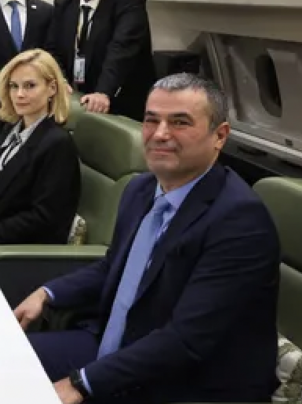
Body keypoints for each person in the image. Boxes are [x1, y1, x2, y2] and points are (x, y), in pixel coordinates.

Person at [15, 74, 279, 404]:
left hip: (183, 382)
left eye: (180, 122)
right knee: (0, 358)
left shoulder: (239, 221)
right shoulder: (141, 189)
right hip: (115, 347)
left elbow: (186, 339)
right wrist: (48, 292)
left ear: (220, 136)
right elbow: (113, 267)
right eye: (152, 120)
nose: (160, 134)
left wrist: (82, 383)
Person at [0, 50, 80, 250]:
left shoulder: (58, 144)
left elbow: (43, 220)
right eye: (14, 86)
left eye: (30, 86)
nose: (19, 94)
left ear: (52, 88)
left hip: (13, 251)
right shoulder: (11, 129)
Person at [48, 0, 155, 121]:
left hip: (119, 104)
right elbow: (52, 49)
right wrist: (61, 80)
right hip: (74, 101)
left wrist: (103, 92)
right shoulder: (64, 3)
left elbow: (120, 50)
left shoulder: (129, 0)